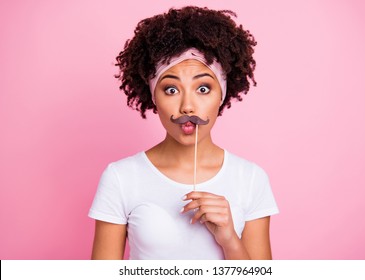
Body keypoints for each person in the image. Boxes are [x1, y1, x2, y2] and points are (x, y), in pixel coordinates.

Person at [88, 6, 279, 260]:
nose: (188, 106)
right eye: (171, 90)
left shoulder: (251, 179)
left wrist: (230, 240)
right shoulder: (120, 178)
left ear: (220, 95)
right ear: (153, 96)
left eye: (202, 88)